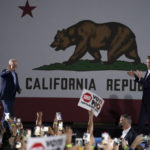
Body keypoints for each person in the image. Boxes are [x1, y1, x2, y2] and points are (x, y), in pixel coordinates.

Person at [127, 56, 150, 134]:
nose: (148, 64)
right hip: (145, 102)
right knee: (141, 123)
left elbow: (147, 85)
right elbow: (143, 83)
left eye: (149, 63)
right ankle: (136, 140)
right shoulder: (148, 72)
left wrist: (141, 78)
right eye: (147, 62)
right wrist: (135, 76)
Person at [0, 59, 21, 129]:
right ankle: (12, 129)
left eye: (15, 64)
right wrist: (8, 70)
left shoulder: (15, 74)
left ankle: (3, 127)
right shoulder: (5, 72)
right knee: (10, 112)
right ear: (9, 65)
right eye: (13, 64)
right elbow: (1, 75)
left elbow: (16, 83)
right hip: (5, 97)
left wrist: (18, 89)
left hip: (11, 97)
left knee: (6, 114)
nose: (15, 65)